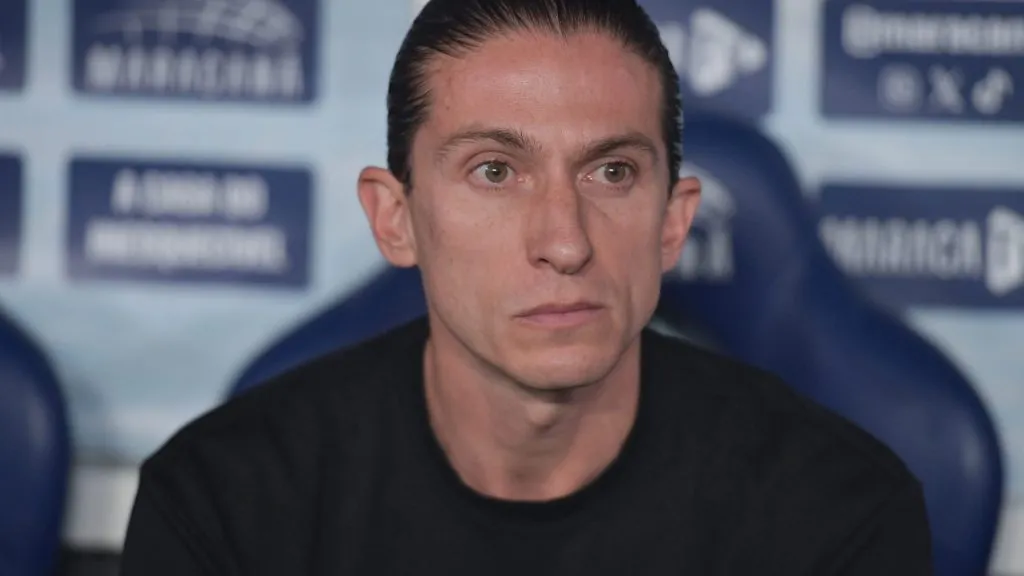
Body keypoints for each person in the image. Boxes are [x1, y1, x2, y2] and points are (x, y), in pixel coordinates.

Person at [119, 0, 933, 574]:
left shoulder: (837, 512)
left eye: (612, 171)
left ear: (672, 222)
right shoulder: (224, 501)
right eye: (495, 171)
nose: (565, 241)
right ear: (395, 218)